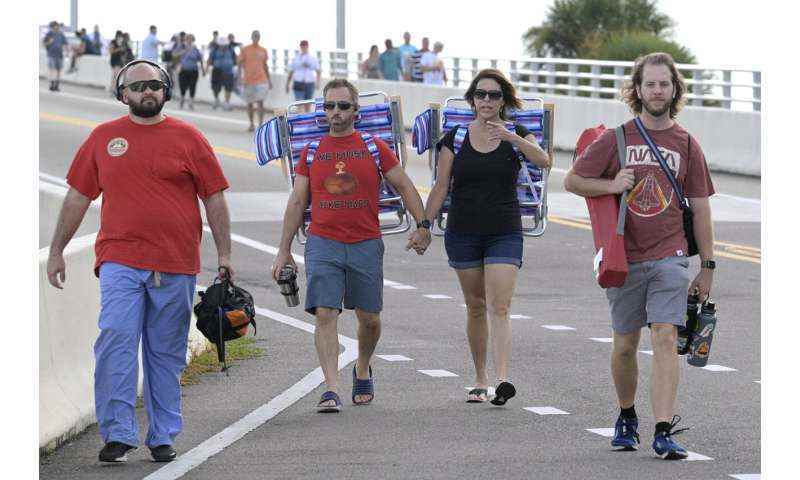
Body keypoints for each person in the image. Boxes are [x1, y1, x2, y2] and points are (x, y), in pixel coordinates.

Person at [46, 59, 233, 464]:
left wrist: (224, 254)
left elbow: (214, 196)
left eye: (154, 85)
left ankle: (163, 434)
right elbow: (79, 195)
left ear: (165, 89)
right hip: (119, 258)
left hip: (176, 262)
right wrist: (57, 249)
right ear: (122, 94)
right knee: (115, 338)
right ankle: (118, 433)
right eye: (137, 87)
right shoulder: (103, 138)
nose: (147, 92)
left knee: (164, 353)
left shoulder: (189, 138)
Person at [564, 52, 716, 460]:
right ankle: (627, 415)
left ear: (675, 89)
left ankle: (663, 429)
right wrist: (612, 184)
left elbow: (700, 207)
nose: (657, 90)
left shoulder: (686, 144)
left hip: (670, 254)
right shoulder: (617, 138)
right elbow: (574, 179)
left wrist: (708, 266)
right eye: (650, 84)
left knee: (666, 337)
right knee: (625, 345)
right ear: (637, 89)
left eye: (664, 83)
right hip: (624, 257)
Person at [271, 79, 431, 412]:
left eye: (343, 106)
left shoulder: (373, 147)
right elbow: (298, 201)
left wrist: (423, 225)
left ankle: (362, 366)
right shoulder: (312, 151)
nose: (336, 113)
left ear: (356, 111)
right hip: (322, 243)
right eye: (329, 106)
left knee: (369, 318)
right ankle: (331, 387)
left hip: (365, 243)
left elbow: (403, 184)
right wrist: (284, 249)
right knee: (326, 313)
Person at [423, 68, 550, 405]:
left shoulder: (517, 134)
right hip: (463, 231)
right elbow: (440, 186)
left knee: (501, 305)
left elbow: (544, 161)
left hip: (504, 231)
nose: (487, 101)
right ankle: (480, 378)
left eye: (494, 95)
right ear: (472, 99)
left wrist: (513, 139)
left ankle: (503, 379)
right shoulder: (455, 138)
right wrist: (424, 225)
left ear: (503, 100)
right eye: (481, 94)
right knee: (476, 306)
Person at [238, 30, 273, 131]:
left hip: (262, 80)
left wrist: (269, 80)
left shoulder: (263, 50)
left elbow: (265, 66)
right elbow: (240, 64)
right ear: (251, 37)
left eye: (257, 36)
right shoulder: (245, 50)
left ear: (259, 38)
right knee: (249, 103)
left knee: (260, 102)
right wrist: (239, 78)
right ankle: (251, 123)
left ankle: (261, 124)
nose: (256, 38)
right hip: (248, 80)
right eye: (254, 36)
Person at [285, 40, 321, 112]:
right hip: (298, 82)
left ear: (307, 47)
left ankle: (307, 121)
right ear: (300, 47)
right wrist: (287, 84)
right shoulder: (296, 59)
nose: (304, 48)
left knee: (308, 104)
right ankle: (300, 121)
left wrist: (318, 82)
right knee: (299, 104)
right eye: (302, 46)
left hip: (309, 83)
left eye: (305, 46)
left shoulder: (312, 59)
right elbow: (291, 71)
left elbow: (318, 71)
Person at [177, 34, 206, 110]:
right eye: (188, 39)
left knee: (192, 86)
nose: (189, 40)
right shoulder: (182, 47)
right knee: (183, 86)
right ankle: (182, 99)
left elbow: (200, 59)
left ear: (193, 40)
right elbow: (174, 55)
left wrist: (203, 70)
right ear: (186, 40)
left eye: (191, 39)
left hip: (194, 70)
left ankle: (191, 102)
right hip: (183, 69)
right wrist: (183, 52)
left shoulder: (196, 49)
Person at [207, 36, 236, 110]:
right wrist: (207, 68)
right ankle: (216, 100)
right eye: (221, 44)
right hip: (217, 71)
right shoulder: (214, 50)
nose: (223, 46)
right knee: (215, 87)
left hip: (228, 71)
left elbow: (235, 59)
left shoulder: (231, 49)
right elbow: (210, 60)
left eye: (224, 44)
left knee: (228, 88)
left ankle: (226, 103)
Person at [43, 21, 68, 92]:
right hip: (51, 54)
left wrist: (67, 52)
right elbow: (44, 43)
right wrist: (49, 42)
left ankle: (57, 85)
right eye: (54, 26)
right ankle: (52, 84)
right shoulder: (49, 34)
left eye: (57, 26)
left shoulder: (61, 34)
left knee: (59, 70)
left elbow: (65, 43)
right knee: (52, 70)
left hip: (59, 54)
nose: (56, 27)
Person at [107, 31, 126, 96]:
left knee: (118, 76)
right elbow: (110, 51)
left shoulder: (122, 42)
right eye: (119, 36)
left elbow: (123, 54)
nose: (120, 37)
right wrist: (118, 49)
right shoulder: (113, 42)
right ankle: (113, 90)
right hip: (114, 61)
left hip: (120, 61)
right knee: (115, 75)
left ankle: (113, 89)